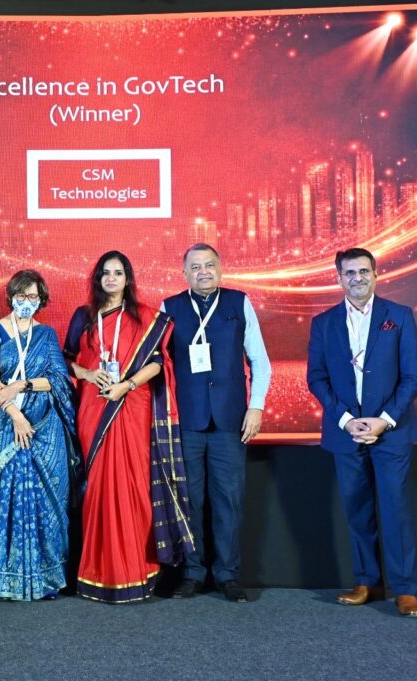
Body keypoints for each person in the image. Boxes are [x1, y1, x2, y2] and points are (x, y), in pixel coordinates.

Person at [64, 251, 193, 603]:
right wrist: (88, 373)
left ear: (128, 279)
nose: (111, 279)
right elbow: (66, 359)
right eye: (105, 273)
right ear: (97, 279)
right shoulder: (84, 316)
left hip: (132, 407)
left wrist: (127, 385)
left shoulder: (145, 318)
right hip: (94, 408)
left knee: (134, 489)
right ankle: (97, 573)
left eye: (118, 273)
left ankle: (136, 571)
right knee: (98, 490)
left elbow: (157, 363)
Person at [306, 247, 417, 617]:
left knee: (395, 509)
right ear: (339, 278)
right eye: (349, 273)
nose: (357, 278)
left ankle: (405, 590)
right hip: (346, 432)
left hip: (391, 432)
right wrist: (346, 420)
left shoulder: (399, 316)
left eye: (363, 271)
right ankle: (367, 583)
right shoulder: (323, 323)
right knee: (357, 511)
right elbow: (317, 378)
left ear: (375, 274)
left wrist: (383, 420)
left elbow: (412, 377)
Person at [161, 243, 271, 603]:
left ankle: (227, 574)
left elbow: (260, 360)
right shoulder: (169, 307)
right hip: (186, 422)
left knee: (228, 500)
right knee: (189, 501)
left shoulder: (239, 303)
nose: (203, 272)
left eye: (209, 265)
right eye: (195, 267)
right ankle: (192, 573)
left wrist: (256, 407)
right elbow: (159, 365)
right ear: (184, 273)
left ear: (220, 268)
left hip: (230, 421)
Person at [0, 270, 78, 601]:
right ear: (11, 297)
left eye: (33, 296)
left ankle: (45, 579)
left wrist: (23, 384)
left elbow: (59, 380)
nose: (26, 302)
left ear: (41, 300)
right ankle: (5, 580)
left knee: (44, 499)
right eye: (21, 295)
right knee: (7, 496)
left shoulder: (46, 335)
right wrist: (16, 415)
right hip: (5, 425)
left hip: (44, 428)